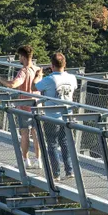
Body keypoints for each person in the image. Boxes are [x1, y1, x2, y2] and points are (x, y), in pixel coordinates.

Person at [36, 52, 79, 181]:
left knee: (52, 144)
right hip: (67, 117)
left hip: (51, 117)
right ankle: (69, 170)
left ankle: (56, 174)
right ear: (65, 64)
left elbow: (35, 86)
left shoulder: (49, 79)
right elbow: (74, 88)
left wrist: (38, 76)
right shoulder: (72, 78)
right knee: (65, 143)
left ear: (51, 65)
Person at [0, 45, 42, 168]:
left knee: (25, 133)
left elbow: (13, 84)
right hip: (38, 105)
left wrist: (0, 79)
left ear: (23, 57)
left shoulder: (23, 71)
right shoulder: (38, 70)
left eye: (19, 56)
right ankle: (38, 160)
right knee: (36, 133)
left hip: (25, 107)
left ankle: (25, 160)